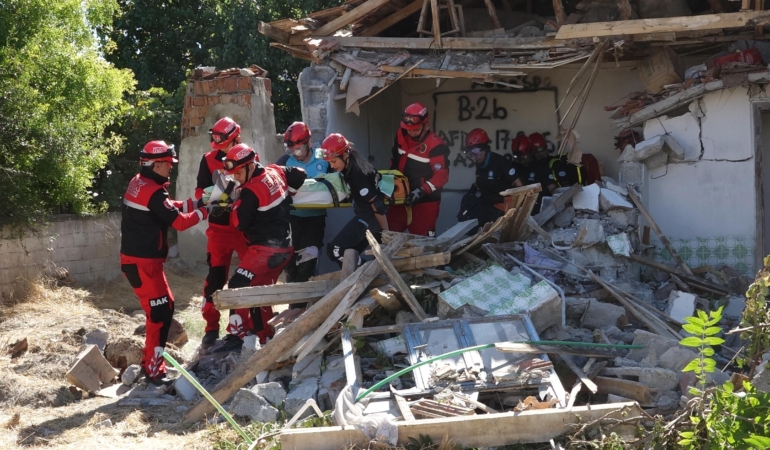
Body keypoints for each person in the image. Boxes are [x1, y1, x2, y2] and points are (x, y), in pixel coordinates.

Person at [120, 141, 209, 385]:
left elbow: (168, 208)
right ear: (156, 163)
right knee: (159, 313)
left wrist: (197, 203)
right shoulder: (153, 191)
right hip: (142, 263)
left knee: (164, 308)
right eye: (169, 164)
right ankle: (153, 371)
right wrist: (207, 211)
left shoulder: (141, 182)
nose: (171, 168)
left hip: (141, 262)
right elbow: (179, 222)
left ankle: (151, 364)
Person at [219, 144, 307, 350]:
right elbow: (300, 173)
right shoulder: (275, 170)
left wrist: (233, 204)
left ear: (250, 165)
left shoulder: (250, 192)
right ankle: (264, 335)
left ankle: (235, 336)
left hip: (266, 251)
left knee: (237, 284)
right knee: (259, 292)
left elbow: (239, 223)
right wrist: (291, 191)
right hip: (285, 248)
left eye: (238, 173)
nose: (237, 178)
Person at [196, 117, 249, 347]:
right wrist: (218, 194)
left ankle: (239, 328)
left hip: (243, 227)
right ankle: (210, 328)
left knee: (246, 278)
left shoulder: (248, 155)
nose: (221, 150)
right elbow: (200, 193)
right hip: (218, 228)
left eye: (224, 144)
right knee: (215, 279)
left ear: (236, 138)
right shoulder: (208, 160)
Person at [276, 122, 331, 307]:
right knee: (291, 264)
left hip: (315, 221)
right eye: (293, 150)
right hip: (292, 220)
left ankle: (300, 309)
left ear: (309, 143)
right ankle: (294, 305)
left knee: (309, 260)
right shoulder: (284, 161)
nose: (296, 153)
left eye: (299, 148)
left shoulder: (323, 156)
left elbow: (341, 172)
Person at [322, 133, 389, 266]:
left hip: (371, 219)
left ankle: (367, 274)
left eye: (334, 161)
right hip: (367, 216)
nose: (332, 166)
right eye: (329, 162)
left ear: (345, 155)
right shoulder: (352, 165)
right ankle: (364, 277)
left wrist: (386, 234)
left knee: (337, 251)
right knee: (347, 253)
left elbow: (377, 205)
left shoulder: (356, 175)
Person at [387, 102, 450, 237]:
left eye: (415, 129)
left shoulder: (436, 145)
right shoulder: (401, 134)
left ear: (426, 125)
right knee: (388, 237)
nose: (411, 132)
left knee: (423, 244)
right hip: (399, 200)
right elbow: (394, 160)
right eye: (409, 129)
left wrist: (421, 191)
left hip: (424, 203)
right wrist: (387, 182)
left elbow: (442, 176)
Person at [457, 129, 522, 233]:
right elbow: (480, 181)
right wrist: (470, 194)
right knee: (466, 211)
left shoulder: (500, 162)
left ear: (485, 149)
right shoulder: (480, 163)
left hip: (500, 207)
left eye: (476, 152)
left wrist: (513, 208)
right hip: (486, 204)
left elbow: (519, 185)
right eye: (471, 153)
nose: (474, 157)